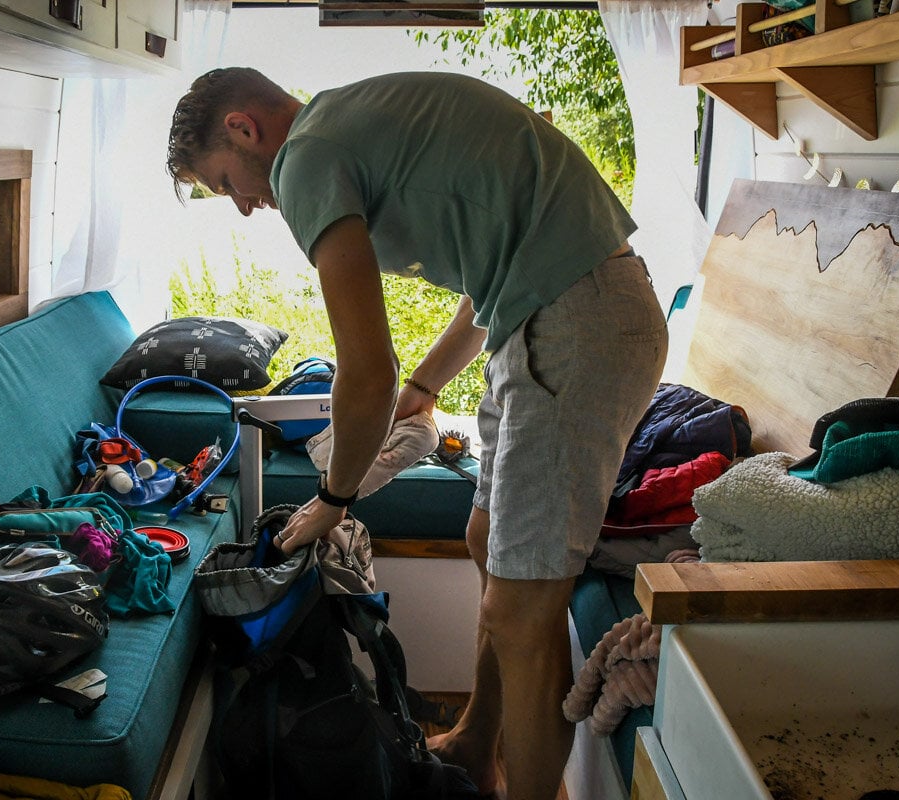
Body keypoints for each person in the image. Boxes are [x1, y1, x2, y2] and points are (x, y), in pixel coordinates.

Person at [166, 67, 668, 800]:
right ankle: (473, 745)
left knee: (523, 614)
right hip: (550, 317)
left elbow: (364, 370)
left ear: (244, 129)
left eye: (225, 182)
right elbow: (490, 282)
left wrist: (333, 501)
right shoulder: (351, 120)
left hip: (573, 324)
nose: (244, 206)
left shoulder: (305, 155)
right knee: (482, 538)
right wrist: (425, 391)